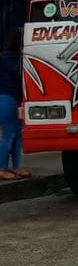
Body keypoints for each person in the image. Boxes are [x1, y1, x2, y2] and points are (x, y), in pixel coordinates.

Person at [0, 28, 29, 180]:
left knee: (17, 135)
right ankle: (2, 168)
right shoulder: (7, 58)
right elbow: (19, 73)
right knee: (9, 134)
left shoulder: (14, 57)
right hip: (7, 97)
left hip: (14, 98)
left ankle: (16, 166)